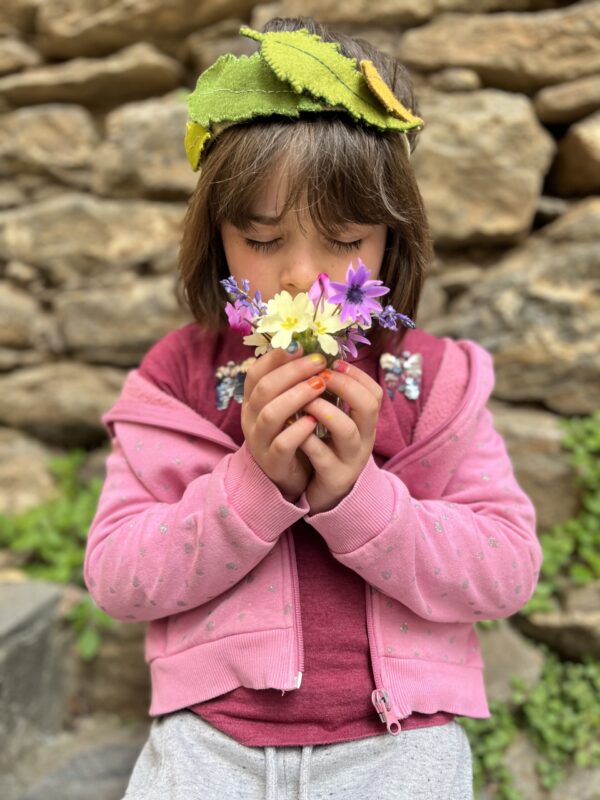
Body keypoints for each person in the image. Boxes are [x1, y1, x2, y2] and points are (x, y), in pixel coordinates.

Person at [84, 16, 543, 800]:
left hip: (402, 744)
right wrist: (253, 486)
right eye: (262, 240)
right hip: (208, 742)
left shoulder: (431, 383)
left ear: (391, 242)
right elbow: (117, 576)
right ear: (215, 239)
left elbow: (507, 569)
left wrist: (358, 501)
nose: (301, 276)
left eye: (344, 239)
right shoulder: (181, 379)